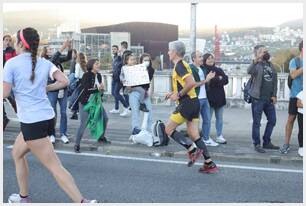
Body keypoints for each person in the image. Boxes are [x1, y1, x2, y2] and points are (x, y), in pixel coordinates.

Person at [3, 27, 97, 203]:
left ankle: (82, 202)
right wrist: (46, 87)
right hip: (46, 117)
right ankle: (23, 198)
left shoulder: (12, 64)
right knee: (17, 153)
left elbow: (5, 92)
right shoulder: (44, 62)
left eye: (15, 41)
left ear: (20, 44)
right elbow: (64, 81)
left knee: (55, 167)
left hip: (33, 122)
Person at [164, 41, 218, 173]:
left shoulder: (180, 66)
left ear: (175, 52)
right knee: (194, 134)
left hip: (187, 103)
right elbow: (185, 84)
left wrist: (178, 95)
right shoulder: (184, 65)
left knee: (168, 129)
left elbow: (191, 83)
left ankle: (191, 149)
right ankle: (209, 163)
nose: (168, 52)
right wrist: (173, 93)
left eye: (169, 50)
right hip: (194, 102)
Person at [247, 45, 279, 153]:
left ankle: (266, 142)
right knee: (257, 122)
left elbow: (275, 81)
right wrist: (256, 60)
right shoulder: (257, 65)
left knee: (273, 120)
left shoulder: (271, 65)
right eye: (264, 51)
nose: (266, 53)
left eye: (267, 51)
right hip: (258, 98)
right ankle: (257, 144)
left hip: (269, 99)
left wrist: (274, 95)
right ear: (258, 53)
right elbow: (249, 71)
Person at [74, 59, 110, 153]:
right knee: (84, 123)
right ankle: (77, 144)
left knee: (105, 118)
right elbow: (86, 90)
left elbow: (100, 92)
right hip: (85, 102)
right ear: (91, 65)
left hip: (96, 103)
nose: (98, 65)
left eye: (99, 63)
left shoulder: (98, 75)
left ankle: (101, 137)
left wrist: (102, 90)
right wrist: (98, 89)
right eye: (96, 64)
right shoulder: (86, 75)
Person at [42, 41, 72, 144]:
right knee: (52, 113)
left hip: (62, 88)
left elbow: (68, 57)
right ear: (45, 52)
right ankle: (52, 134)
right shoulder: (45, 61)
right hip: (52, 89)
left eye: (52, 49)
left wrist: (69, 48)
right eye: (49, 49)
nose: (51, 50)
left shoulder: (57, 60)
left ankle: (63, 134)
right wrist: (63, 47)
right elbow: (53, 60)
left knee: (64, 113)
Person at [189, 51, 218, 146]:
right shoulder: (191, 69)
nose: (202, 58)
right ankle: (195, 141)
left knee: (207, 120)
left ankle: (205, 139)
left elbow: (205, 83)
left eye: (202, 56)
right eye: (200, 57)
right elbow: (193, 84)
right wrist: (207, 79)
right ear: (194, 59)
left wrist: (208, 79)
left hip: (205, 98)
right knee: (195, 121)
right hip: (196, 98)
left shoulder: (202, 68)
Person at [280, 41, 303, 154]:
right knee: (291, 119)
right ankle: (286, 144)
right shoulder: (295, 61)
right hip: (295, 95)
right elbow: (293, 75)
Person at [202, 53, 228, 144]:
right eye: (208, 58)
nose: (210, 60)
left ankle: (219, 135)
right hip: (209, 99)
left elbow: (226, 80)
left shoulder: (218, 69)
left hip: (220, 98)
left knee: (220, 119)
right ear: (204, 60)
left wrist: (216, 79)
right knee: (207, 119)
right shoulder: (203, 70)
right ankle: (206, 136)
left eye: (212, 58)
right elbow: (209, 82)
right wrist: (219, 79)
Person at [127, 52, 154, 135]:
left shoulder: (151, 70)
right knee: (135, 113)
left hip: (145, 93)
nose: (147, 62)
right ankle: (136, 130)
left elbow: (151, 82)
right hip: (135, 92)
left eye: (148, 60)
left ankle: (149, 131)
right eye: (145, 60)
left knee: (149, 111)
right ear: (141, 61)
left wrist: (150, 92)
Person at [109, 45, 129, 114]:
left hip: (119, 79)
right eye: (112, 49)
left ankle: (126, 106)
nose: (113, 50)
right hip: (114, 77)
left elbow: (122, 66)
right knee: (113, 93)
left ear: (117, 50)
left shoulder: (120, 58)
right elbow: (116, 68)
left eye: (115, 49)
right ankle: (116, 108)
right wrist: (112, 71)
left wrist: (121, 52)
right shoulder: (114, 58)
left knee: (116, 93)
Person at [3, 34, 17, 130]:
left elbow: (15, 65)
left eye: (9, 40)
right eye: (6, 40)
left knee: (13, 99)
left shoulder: (12, 51)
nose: (7, 42)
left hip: (10, 79)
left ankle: (21, 114)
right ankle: (4, 118)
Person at [70, 52, 87, 120]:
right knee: (82, 98)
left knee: (75, 98)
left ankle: (75, 113)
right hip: (86, 82)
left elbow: (77, 75)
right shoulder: (86, 64)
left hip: (80, 82)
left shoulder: (78, 65)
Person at [296, 90, 303, 157]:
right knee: (302, 131)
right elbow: (298, 104)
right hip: (302, 114)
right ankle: (301, 147)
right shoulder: (301, 93)